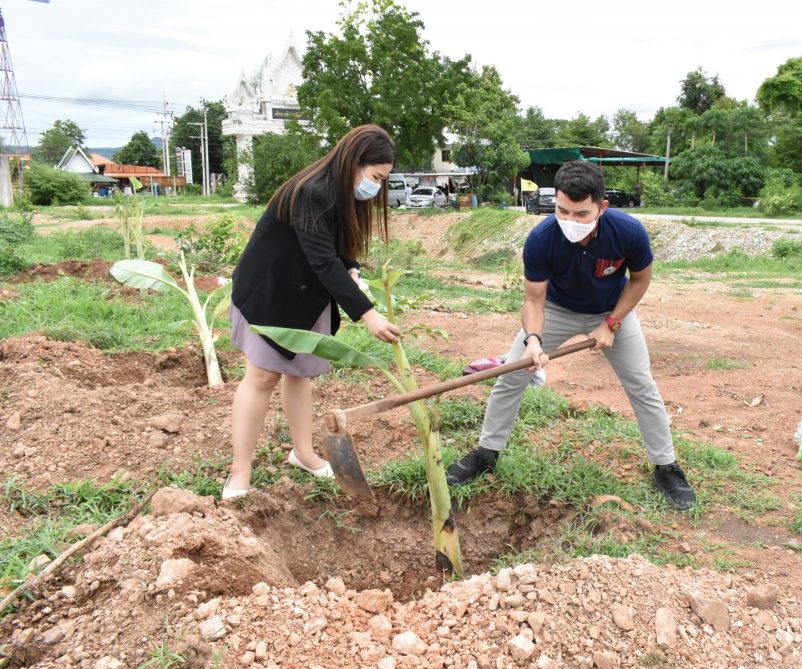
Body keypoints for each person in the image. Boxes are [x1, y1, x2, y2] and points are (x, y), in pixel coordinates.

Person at [445, 161, 697, 511]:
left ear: (601, 207)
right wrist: (533, 340)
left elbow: (639, 280)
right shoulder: (542, 238)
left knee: (641, 383)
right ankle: (486, 454)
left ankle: (666, 466)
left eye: (581, 214)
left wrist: (611, 324)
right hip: (556, 311)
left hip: (610, 312)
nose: (571, 222)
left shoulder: (628, 232)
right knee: (511, 375)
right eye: (562, 210)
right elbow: (534, 299)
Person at [223, 124, 401, 499]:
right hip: (272, 293)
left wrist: (351, 268)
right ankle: (240, 471)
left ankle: (302, 453)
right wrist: (367, 313)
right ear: (354, 163)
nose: (377, 187)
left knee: (299, 373)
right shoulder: (310, 193)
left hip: (308, 297)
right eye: (375, 177)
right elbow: (322, 260)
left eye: (383, 180)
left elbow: (339, 245)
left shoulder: (345, 193)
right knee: (261, 378)